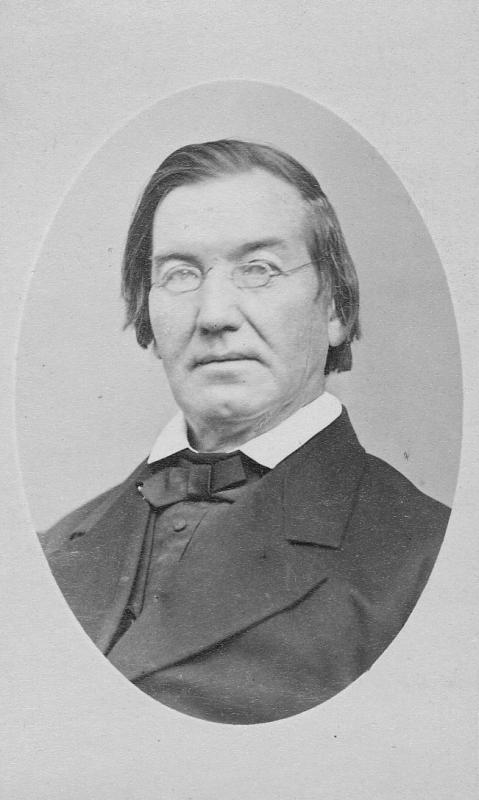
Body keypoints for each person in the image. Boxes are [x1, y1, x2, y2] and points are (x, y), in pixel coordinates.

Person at [41, 139, 450, 724]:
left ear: (334, 307)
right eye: (180, 274)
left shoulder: (431, 563)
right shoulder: (50, 552)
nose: (214, 315)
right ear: (148, 315)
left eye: (258, 270)